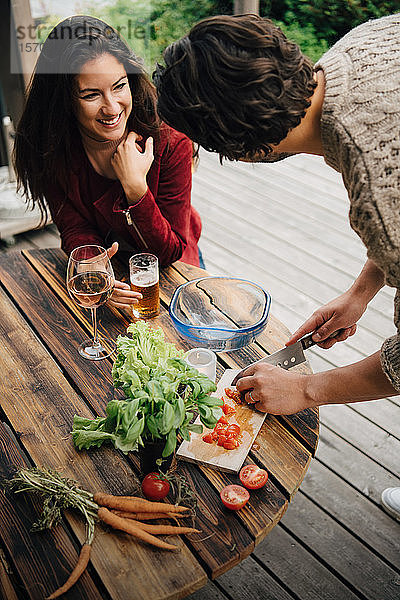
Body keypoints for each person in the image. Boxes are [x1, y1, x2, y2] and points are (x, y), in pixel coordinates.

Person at [154, 13, 400, 519]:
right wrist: (362, 291)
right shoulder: (360, 45)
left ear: (240, 149)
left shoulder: (374, 190)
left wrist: (305, 389)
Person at [14, 15, 202, 311]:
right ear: (64, 99)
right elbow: (73, 224)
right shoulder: (50, 145)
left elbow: (170, 251)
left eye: (119, 86)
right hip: (111, 268)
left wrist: (136, 190)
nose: (112, 108)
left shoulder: (171, 141)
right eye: (91, 94)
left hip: (173, 271)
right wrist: (94, 269)